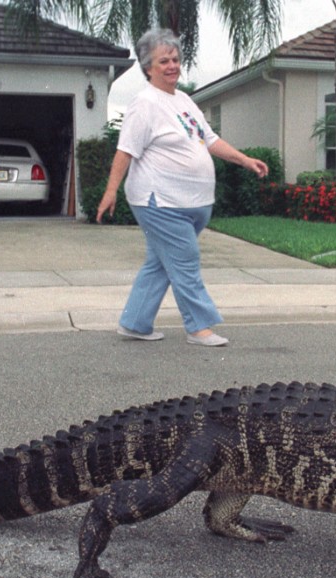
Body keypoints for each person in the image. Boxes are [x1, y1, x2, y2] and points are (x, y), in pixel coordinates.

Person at [97, 28, 268, 347]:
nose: (172, 65)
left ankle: (135, 323)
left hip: (193, 203)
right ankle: (199, 326)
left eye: (175, 59)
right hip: (159, 201)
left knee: (160, 263)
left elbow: (210, 140)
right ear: (148, 67)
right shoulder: (145, 103)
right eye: (164, 61)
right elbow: (126, 150)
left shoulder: (184, 100)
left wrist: (245, 160)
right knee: (185, 259)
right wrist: (110, 192)